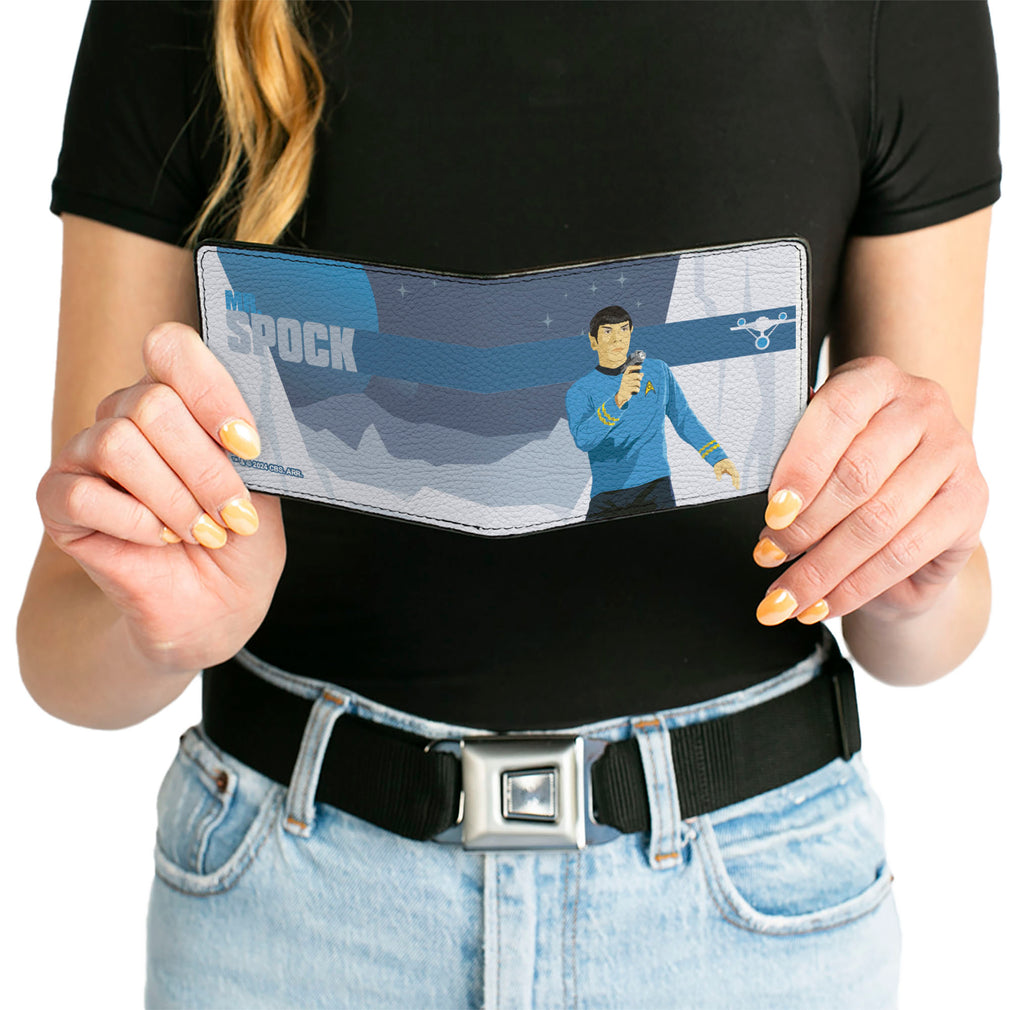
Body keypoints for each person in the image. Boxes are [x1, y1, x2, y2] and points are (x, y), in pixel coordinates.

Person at [16, 2, 1000, 1007]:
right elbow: (60, 646)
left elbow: (924, 625)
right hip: (292, 905)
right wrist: (162, 625)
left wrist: (907, 567)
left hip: (748, 906)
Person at [565, 304, 741, 520]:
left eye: (623, 329)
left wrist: (717, 457)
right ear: (593, 341)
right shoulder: (580, 391)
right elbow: (584, 440)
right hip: (607, 495)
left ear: (631, 332)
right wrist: (618, 400)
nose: (618, 339)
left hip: (656, 488)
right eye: (608, 331)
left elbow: (683, 418)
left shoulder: (657, 371)